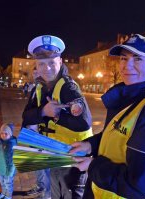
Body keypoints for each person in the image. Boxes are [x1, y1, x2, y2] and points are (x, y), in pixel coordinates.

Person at [70, 34, 145, 199]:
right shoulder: (130, 97)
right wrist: (90, 146)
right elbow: (117, 134)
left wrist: (93, 166)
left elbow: (138, 185)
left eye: (137, 59)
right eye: (123, 58)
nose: (127, 65)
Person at [22, 35, 93, 199]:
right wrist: (43, 112)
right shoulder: (39, 87)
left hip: (73, 156)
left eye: (51, 63)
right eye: (41, 64)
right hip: (53, 152)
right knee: (54, 193)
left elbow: (84, 123)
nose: (47, 68)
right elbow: (26, 116)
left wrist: (56, 115)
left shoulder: (68, 88)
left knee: (70, 194)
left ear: (60, 62)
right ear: (37, 66)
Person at [0, 123, 17, 199]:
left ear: (10, 134)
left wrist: (10, 172)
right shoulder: (0, 142)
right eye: (1, 133)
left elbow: (13, 160)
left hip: (8, 170)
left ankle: (8, 195)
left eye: (6, 133)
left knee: (8, 183)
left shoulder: (12, 145)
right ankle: (3, 193)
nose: (3, 135)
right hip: (1, 168)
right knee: (2, 182)